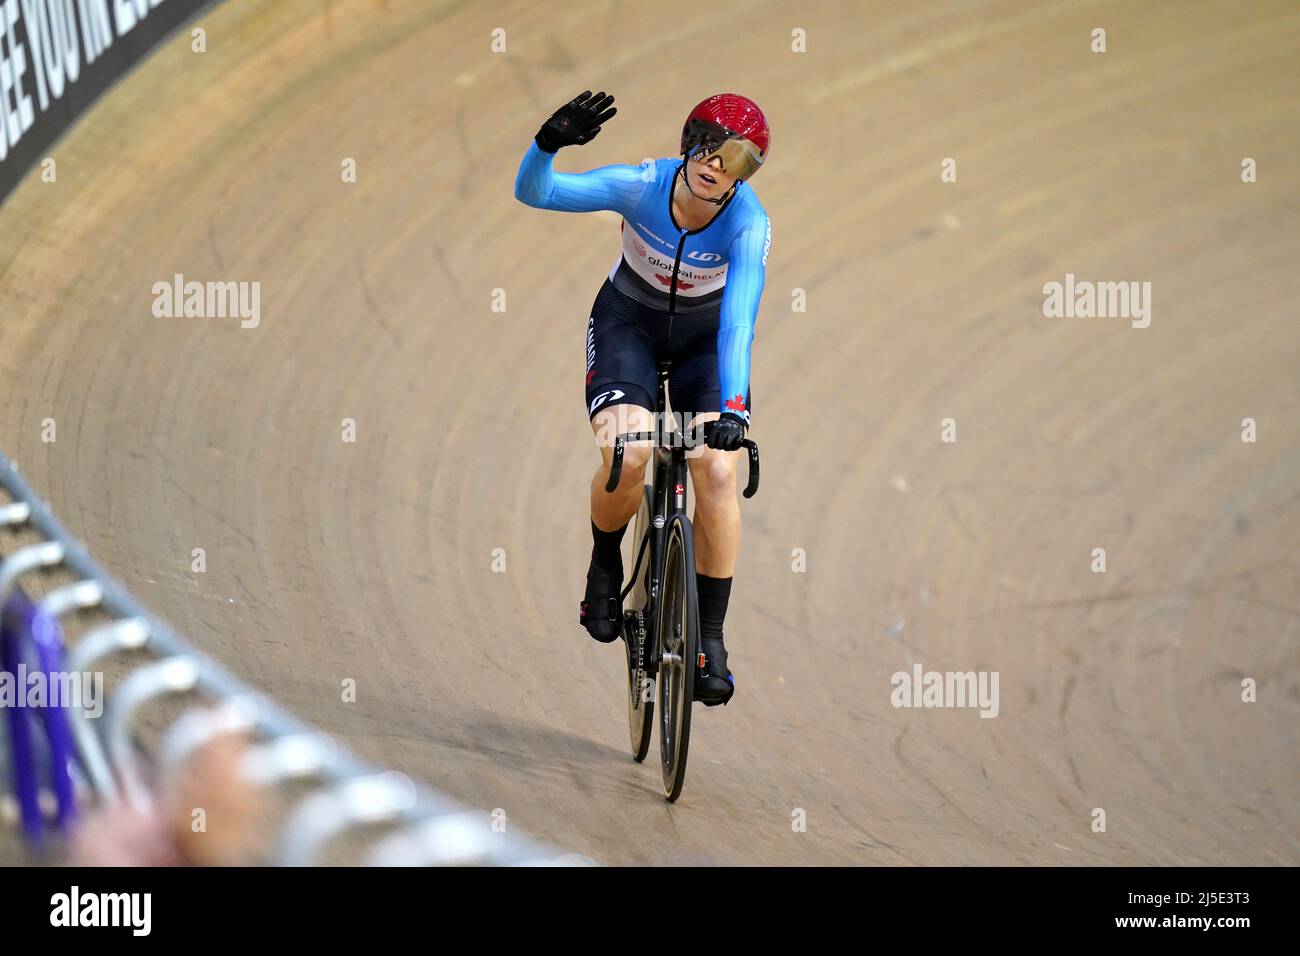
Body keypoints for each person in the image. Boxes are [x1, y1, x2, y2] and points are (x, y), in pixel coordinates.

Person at [514, 90, 772, 706]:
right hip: (628, 323)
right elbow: (536, 193)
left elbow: (738, 322)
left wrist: (732, 409)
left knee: (715, 468)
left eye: (735, 160)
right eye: (707, 149)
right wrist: (546, 146)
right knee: (627, 455)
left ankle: (710, 634)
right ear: (688, 144)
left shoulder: (748, 224)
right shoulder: (640, 185)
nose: (715, 166)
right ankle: (605, 567)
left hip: (704, 345)